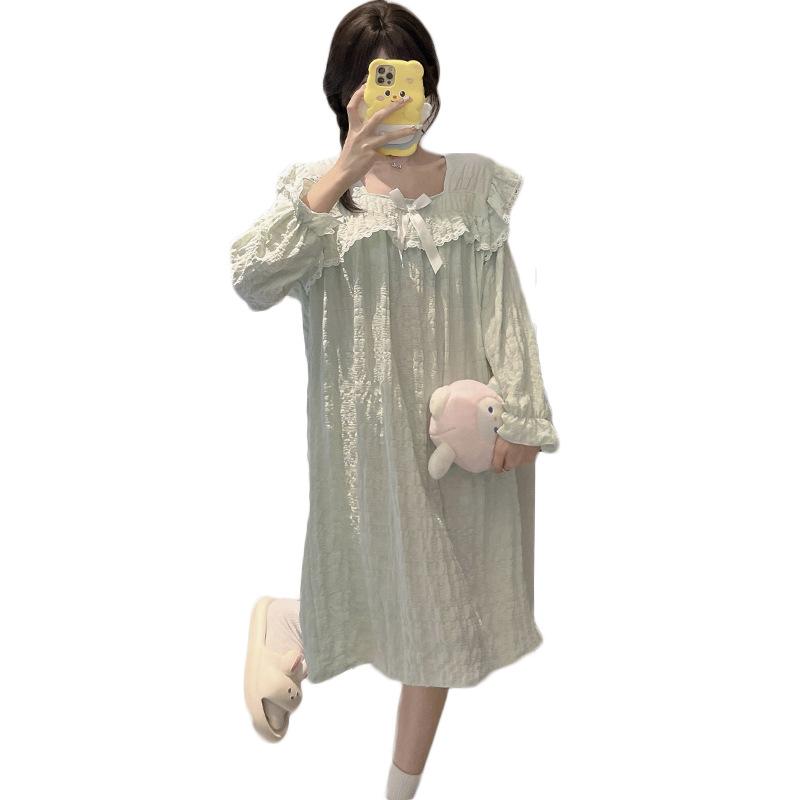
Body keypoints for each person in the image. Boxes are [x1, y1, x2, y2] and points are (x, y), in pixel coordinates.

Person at [230, 2, 560, 797]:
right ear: (345, 92)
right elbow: (251, 278)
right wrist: (343, 171)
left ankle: (395, 785)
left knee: (447, 618)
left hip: (463, 433)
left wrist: (521, 414)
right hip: (367, 450)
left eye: (406, 80)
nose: (394, 99)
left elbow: (505, 304)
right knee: (406, 600)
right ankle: (297, 620)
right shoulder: (317, 196)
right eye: (373, 83)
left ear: (429, 83)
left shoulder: (474, 185)